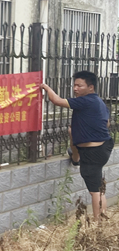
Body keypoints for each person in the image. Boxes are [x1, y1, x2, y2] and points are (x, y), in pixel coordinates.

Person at [41, 70, 114, 221]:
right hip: (102, 146)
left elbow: (57, 101)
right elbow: (106, 123)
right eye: (74, 85)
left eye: (79, 86)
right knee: (72, 131)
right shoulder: (98, 102)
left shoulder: (86, 100)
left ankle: (98, 223)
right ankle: (75, 157)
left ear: (91, 87)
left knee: (95, 190)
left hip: (93, 151)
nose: (75, 89)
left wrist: (46, 87)